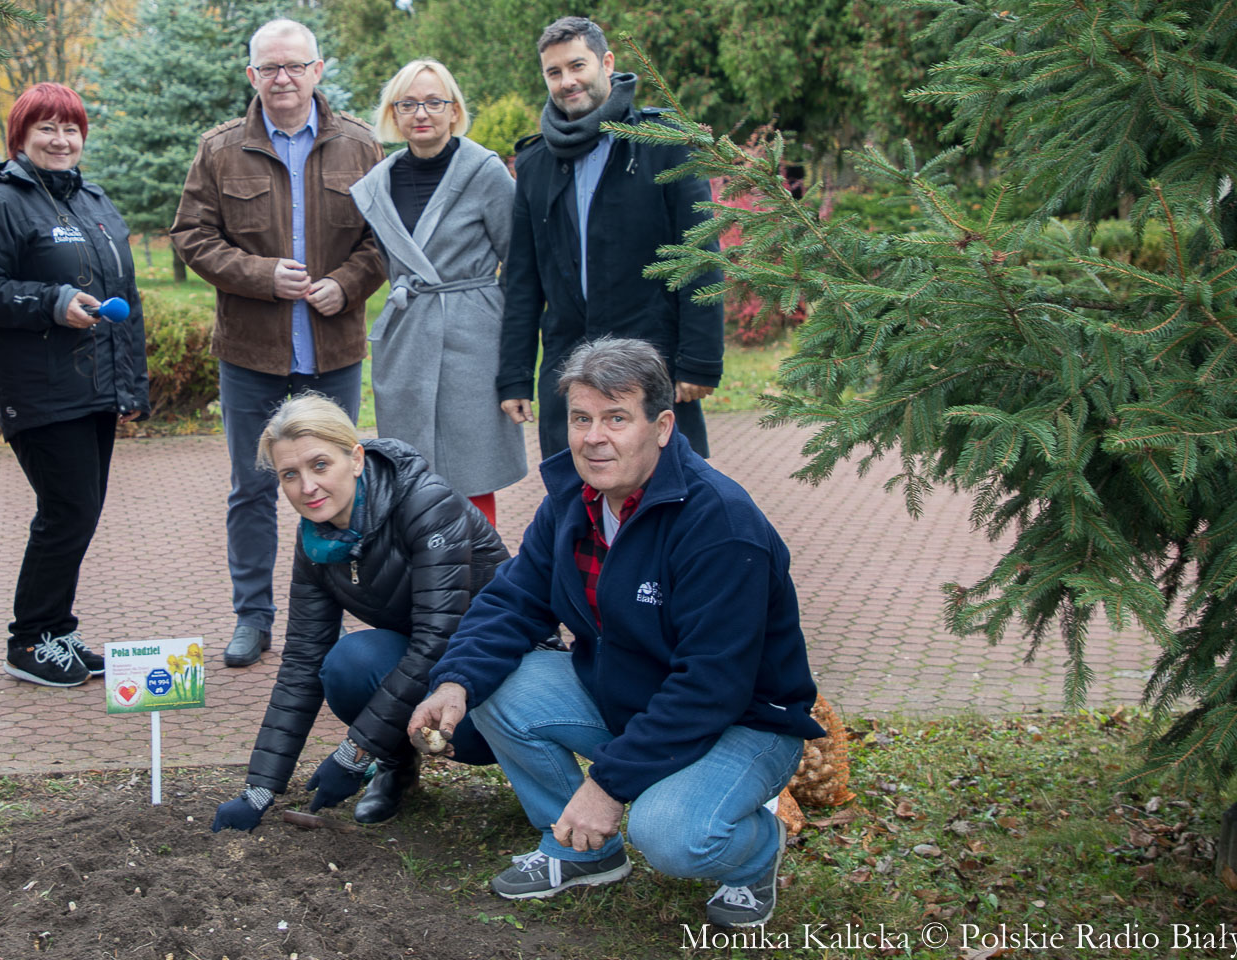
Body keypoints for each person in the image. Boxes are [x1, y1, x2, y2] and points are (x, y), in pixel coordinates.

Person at [409, 338, 823, 927]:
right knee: (494, 684)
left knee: (670, 834)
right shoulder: (572, 503)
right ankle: (585, 850)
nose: (592, 437)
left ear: (662, 426)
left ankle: (757, 851)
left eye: (616, 418)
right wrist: (453, 682)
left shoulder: (720, 525)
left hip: (744, 721)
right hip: (632, 696)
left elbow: (712, 685)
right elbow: (513, 599)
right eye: (581, 419)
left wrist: (607, 786)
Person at [169, 18, 386, 668]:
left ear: (318, 70)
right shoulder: (220, 149)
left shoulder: (360, 146)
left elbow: (384, 242)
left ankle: (348, 616)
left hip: (333, 353)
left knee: (340, 485)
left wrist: (346, 284)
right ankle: (253, 617)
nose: (283, 78)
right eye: (270, 68)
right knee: (253, 488)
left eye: (294, 65)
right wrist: (263, 277)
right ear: (252, 76)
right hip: (251, 355)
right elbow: (191, 236)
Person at [209, 394, 507, 832]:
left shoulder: (426, 505)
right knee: (348, 664)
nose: (306, 486)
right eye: (289, 474)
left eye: (320, 465)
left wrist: (353, 751)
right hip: (429, 672)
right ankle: (398, 769)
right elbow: (301, 662)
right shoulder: (317, 541)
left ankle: (537, 774)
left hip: (491, 669)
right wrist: (259, 791)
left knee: (385, 666)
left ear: (356, 458)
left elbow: (437, 639)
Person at [0, 82, 148, 689]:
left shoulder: (92, 197)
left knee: (80, 512)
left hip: (95, 387)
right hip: (42, 388)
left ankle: (56, 633)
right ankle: (28, 640)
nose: (61, 139)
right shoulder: (1, 203)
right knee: (66, 511)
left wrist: (131, 386)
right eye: (47, 128)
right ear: (21, 136)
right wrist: (52, 301)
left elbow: (126, 297)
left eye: (70, 128)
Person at [497, 16, 724, 459]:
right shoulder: (535, 165)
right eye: (554, 72)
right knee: (574, 503)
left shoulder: (665, 142)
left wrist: (700, 360)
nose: (567, 81)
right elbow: (522, 281)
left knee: (668, 501)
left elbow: (700, 256)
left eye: (577, 66)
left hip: (652, 363)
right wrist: (515, 375)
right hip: (568, 368)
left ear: (606, 62)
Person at [350, 58, 526, 526]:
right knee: (407, 469)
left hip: (473, 336)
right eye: (408, 103)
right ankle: (423, 584)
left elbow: (520, 263)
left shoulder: (484, 172)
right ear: (394, 113)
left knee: (471, 470)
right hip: (406, 335)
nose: (421, 113)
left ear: (454, 110)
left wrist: (507, 342)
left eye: (433, 102)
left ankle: (480, 576)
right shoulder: (376, 185)